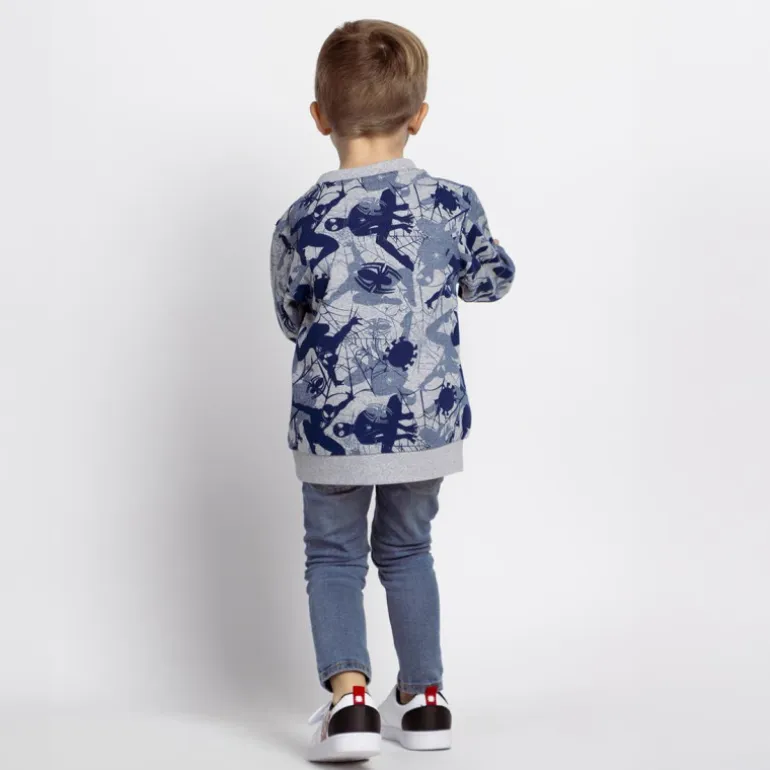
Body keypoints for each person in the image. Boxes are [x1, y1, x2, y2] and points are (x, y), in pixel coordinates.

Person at [270, 19, 515, 763]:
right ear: (420, 116)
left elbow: (291, 316)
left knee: (334, 556)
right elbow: (493, 280)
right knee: (409, 549)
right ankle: (424, 701)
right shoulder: (452, 204)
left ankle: (350, 704)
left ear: (320, 117)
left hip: (332, 427)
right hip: (425, 421)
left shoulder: (299, 220)